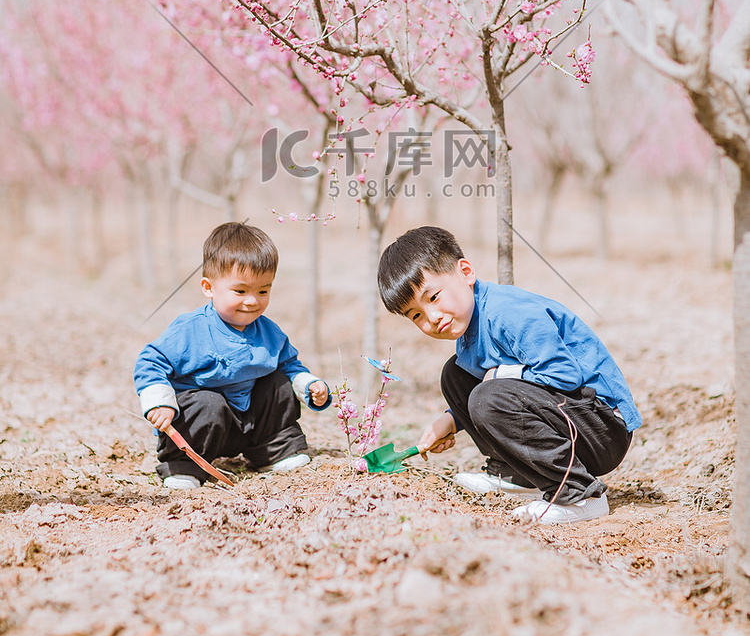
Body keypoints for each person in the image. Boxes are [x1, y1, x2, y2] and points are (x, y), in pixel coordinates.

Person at [377, 226, 641, 525]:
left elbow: (564, 375)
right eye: (416, 316)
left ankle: (579, 494)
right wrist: (450, 420)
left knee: (487, 395)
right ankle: (516, 474)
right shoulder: (469, 329)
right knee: (455, 375)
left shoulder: (509, 312)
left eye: (434, 297)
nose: (432, 318)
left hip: (603, 428)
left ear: (465, 272)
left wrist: (499, 376)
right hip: (573, 420)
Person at [134, 222, 331, 490]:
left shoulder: (269, 333)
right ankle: (184, 464)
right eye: (240, 291)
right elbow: (150, 361)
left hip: (250, 423)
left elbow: (290, 366)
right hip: (203, 425)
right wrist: (159, 402)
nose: (252, 301)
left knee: (279, 382)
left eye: (263, 291)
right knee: (208, 403)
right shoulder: (191, 330)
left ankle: (273, 450)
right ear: (208, 287)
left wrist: (310, 386)